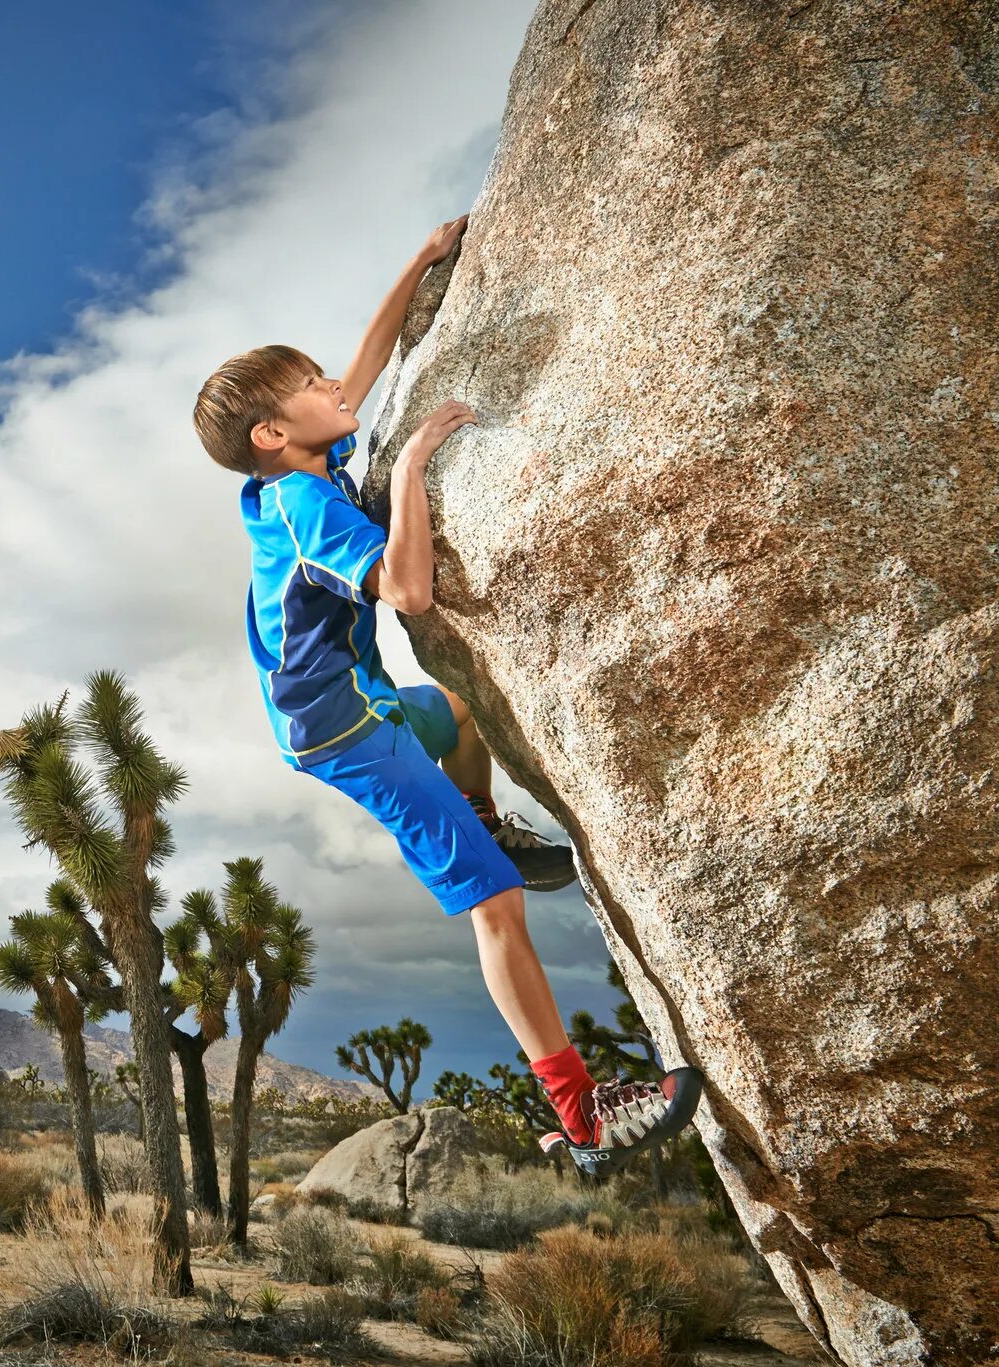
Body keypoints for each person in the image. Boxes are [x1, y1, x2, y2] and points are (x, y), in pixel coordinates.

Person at [191, 215, 701, 1173]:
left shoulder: (283, 469)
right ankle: (584, 1115)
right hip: (348, 734)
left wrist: (419, 262)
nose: (331, 387)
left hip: (355, 698)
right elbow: (409, 589)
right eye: (307, 386)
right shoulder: (307, 501)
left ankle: (483, 817)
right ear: (272, 431)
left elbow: (361, 369)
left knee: (462, 716)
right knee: (495, 905)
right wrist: (416, 463)